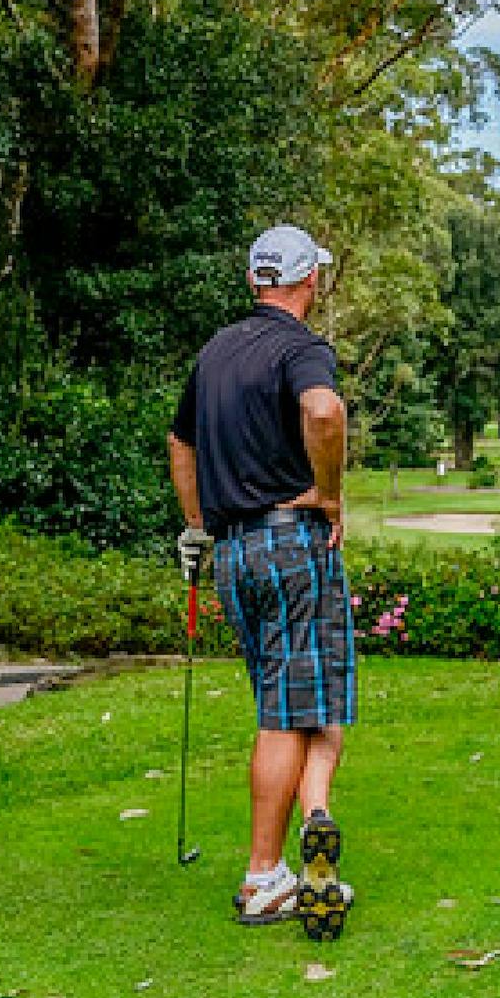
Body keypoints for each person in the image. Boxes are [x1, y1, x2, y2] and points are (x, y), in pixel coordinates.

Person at [168, 224, 356, 939]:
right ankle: (261, 877)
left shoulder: (216, 351)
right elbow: (324, 411)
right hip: (291, 542)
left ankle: (314, 820)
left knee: (299, 699)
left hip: (233, 551)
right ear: (308, 279)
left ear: (257, 279)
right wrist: (329, 492)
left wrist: (195, 524)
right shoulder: (301, 348)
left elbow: (180, 441)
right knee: (286, 712)